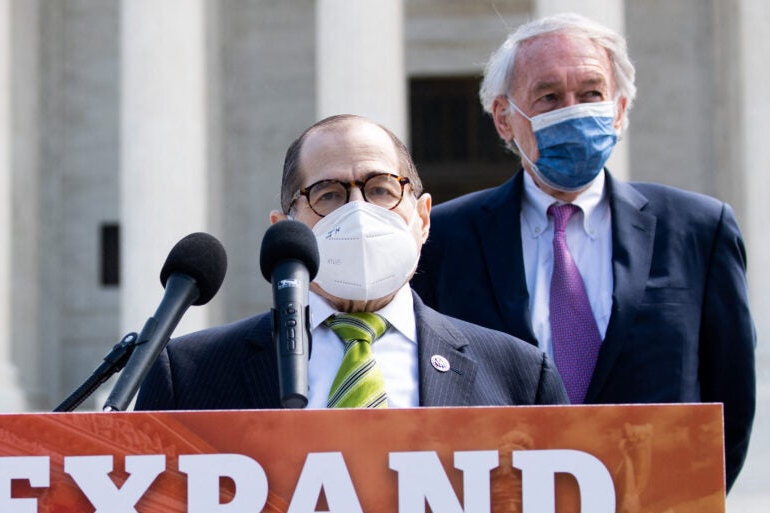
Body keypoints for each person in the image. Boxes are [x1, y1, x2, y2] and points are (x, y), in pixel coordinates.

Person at [409, 13, 753, 513]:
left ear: (619, 109)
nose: (573, 110)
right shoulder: (445, 241)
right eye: (548, 96)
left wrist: (656, 509)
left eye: (590, 92)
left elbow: (731, 402)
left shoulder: (698, 231)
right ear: (505, 118)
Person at [137, 114, 567, 410]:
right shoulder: (190, 375)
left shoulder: (520, 376)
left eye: (382, 189)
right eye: (328, 195)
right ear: (285, 230)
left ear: (422, 219)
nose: (359, 211)